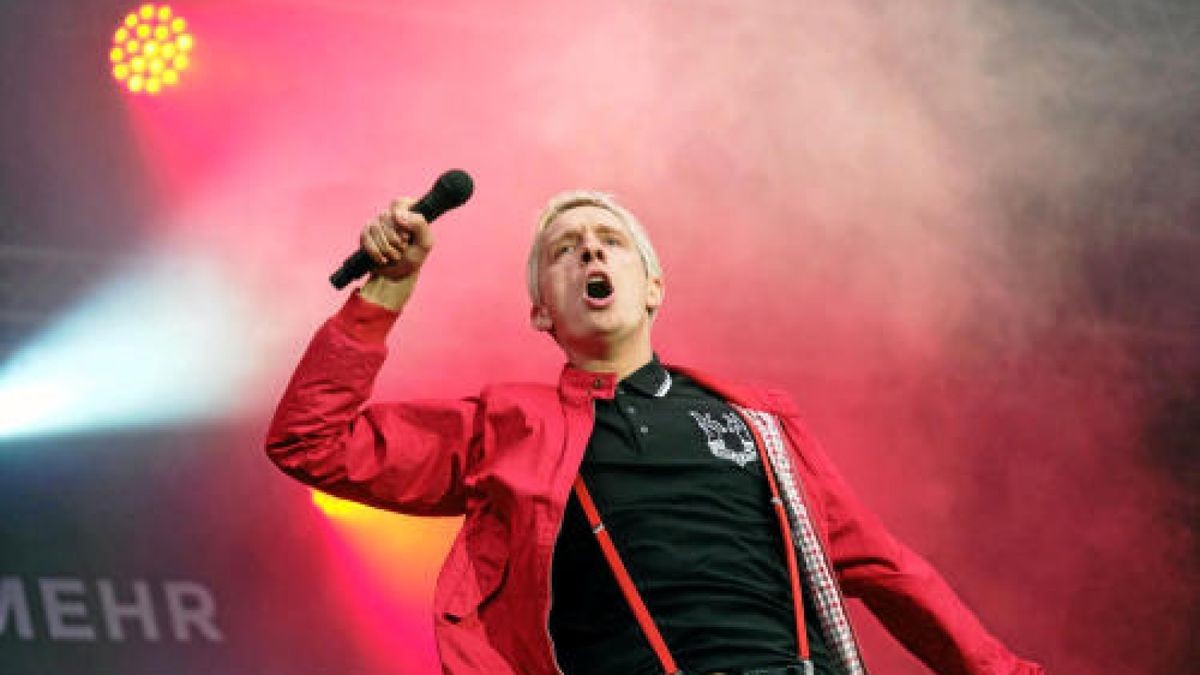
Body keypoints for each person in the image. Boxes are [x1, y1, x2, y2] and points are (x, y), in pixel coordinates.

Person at [266, 190, 1045, 675]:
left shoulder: (757, 420)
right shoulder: (508, 424)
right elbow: (311, 440)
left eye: (607, 239)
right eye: (563, 252)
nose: (589, 251)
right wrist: (387, 293)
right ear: (542, 311)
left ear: (653, 286)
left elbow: (886, 567)